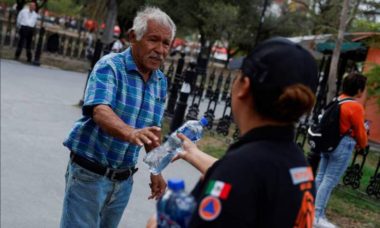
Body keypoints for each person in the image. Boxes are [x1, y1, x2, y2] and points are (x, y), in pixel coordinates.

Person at [147, 37, 319, 227]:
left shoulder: (241, 168)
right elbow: (254, 181)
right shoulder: (298, 164)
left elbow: (240, 177)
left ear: (244, 87)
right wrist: (192, 154)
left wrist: (156, 222)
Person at [60, 6, 176, 228]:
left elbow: (152, 131)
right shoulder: (110, 66)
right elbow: (99, 110)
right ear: (133, 37)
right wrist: (130, 133)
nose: (160, 50)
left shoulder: (160, 82)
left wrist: (156, 171)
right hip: (89, 175)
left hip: (123, 182)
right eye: (153, 40)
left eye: (166, 43)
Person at [313, 73, 367, 228]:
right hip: (343, 145)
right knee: (329, 180)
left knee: (321, 176)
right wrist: (362, 144)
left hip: (328, 142)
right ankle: (317, 216)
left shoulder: (337, 100)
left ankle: (311, 209)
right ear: (358, 89)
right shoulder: (355, 106)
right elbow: (360, 132)